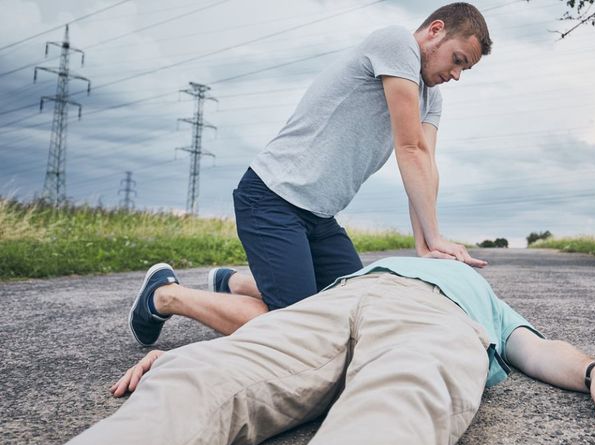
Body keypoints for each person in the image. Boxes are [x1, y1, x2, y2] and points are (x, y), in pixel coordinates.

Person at [128, 3, 494, 347]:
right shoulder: (398, 44)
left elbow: (424, 165)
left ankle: (234, 284)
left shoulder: (432, 98)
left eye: (466, 69)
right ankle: (163, 296)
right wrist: (434, 237)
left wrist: (426, 245)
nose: (457, 75)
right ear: (435, 31)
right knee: (301, 331)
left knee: (354, 310)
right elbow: (409, 148)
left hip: (318, 219)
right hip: (272, 199)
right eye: (457, 60)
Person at [66, 257, 595, 445]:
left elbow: (540, 351)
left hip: (436, 319)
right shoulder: (377, 260)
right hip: (337, 302)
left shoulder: (483, 296)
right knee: (201, 375)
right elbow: (274, 321)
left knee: (400, 400)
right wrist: (204, 351)